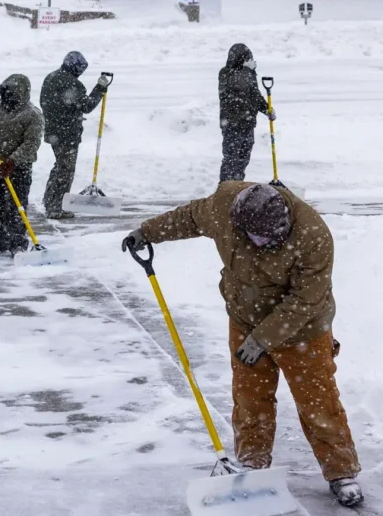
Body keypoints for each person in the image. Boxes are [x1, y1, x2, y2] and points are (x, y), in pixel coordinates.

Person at [121, 182, 363, 508]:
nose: (262, 245)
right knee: (250, 398)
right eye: (257, 238)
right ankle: (252, 463)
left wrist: (263, 339)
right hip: (244, 316)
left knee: (318, 402)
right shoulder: (224, 204)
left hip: (302, 331)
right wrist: (148, 231)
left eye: (270, 240)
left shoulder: (313, 236)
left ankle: (341, 471)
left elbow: (306, 300)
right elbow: (190, 217)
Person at [0, 74, 45, 255]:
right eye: (6, 92)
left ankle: (17, 243)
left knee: (15, 206)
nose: (8, 96)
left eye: (12, 93)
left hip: (19, 168)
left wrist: (13, 161)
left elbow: (31, 144)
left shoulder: (33, 115)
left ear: (21, 93)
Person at [39, 51, 110, 219]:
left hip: (53, 131)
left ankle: (49, 199)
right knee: (65, 170)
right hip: (67, 134)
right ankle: (56, 207)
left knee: (59, 166)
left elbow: (47, 102)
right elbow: (87, 105)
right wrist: (100, 88)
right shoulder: (72, 84)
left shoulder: (50, 77)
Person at [218, 43, 273, 182]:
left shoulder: (248, 74)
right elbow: (238, 84)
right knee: (231, 160)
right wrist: (249, 71)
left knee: (243, 160)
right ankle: (224, 190)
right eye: (247, 58)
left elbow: (254, 95)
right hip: (232, 125)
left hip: (247, 124)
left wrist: (267, 109)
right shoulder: (225, 73)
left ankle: (237, 186)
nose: (250, 61)